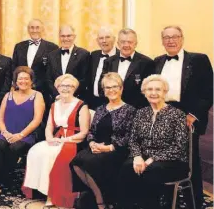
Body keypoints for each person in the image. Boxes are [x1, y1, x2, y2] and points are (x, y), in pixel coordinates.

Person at [154, 26, 213, 208]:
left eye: (175, 37)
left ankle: (194, 200)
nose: (171, 41)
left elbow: (209, 91)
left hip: (188, 114)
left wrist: (193, 115)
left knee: (189, 159)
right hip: (163, 112)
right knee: (162, 156)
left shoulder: (199, 59)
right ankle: (166, 197)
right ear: (162, 41)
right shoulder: (157, 61)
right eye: (167, 37)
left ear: (182, 38)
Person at [117, 75, 189, 208]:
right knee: (127, 168)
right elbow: (133, 140)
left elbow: (179, 147)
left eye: (158, 89)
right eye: (149, 89)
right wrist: (137, 156)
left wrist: (152, 159)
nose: (153, 93)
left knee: (151, 171)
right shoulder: (141, 113)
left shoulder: (177, 114)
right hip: (143, 157)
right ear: (144, 92)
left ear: (165, 92)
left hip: (172, 161)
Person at [22, 74, 90, 208]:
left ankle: (53, 195)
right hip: (57, 138)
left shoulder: (81, 105)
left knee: (52, 156)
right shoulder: (54, 105)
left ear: (74, 88)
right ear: (57, 88)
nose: (66, 88)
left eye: (69, 86)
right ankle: (42, 190)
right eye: (62, 85)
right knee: (36, 151)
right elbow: (49, 126)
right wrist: (49, 138)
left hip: (74, 141)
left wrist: (66, 139)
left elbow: (84, 132)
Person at [70, 72, 135, 208]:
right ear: (104, 91)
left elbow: (130, 136)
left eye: (114, 87)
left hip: (117, 150)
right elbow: (91, 131)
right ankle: (99, 195)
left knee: (90, 163)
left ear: (121, 89)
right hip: (97, 146)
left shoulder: (130, 110)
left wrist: (109, 147)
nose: (111, 90)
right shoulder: (100, 109)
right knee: (76, 162)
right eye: (107, 88)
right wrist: (92, 143)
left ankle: (100, 202)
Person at [0, 66, 45, 196]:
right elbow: (0, 118)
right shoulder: (8, 95)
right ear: (15, 81)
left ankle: (5, 180)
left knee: (14, 148)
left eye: (26, 78)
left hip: (26, 135)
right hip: (7, 132)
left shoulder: (37, 95)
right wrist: (5, 132)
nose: (23, 81)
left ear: (31, 80)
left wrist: (21, 135)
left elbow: (37, 120)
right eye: (20, 78)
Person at [11, 19, 59, 102]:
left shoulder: (52, 47)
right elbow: (14, 68)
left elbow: (53, 71)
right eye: (32, 28)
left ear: (42, 29)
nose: (34, 30)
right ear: (28, 30)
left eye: (37, 28)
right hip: (22, 90)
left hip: (43, 91)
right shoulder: (19, 46)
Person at [105, 28, 154, 109]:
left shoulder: (147, 62)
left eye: (130, 42)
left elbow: (148, 90)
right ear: (118, 43)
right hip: (113, 108)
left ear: (136, 44)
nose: (126, 45)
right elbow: (104, 85)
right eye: (123, 42)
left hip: (137, 110)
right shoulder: (108, 61)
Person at [45, 25, 90, 100]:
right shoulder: (51, 55)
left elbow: (84, 79)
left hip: (76, 98)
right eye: (63, 36)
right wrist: (57, 95)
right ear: (59, 37)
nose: (65, 39)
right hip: (56, 99)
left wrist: (69, 95)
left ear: (74, 37)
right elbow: (48, 79)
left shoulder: (84, 54)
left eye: (69, 36)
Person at [85, 26, 119, 109]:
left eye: (107, 37)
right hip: (93, 103)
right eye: (101, 38)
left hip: (114, 104)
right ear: (97, 41)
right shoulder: (93, 55)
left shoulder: (121, 56)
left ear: (114, 39)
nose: (104, 41)